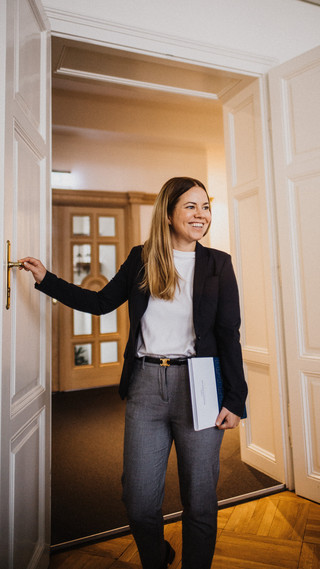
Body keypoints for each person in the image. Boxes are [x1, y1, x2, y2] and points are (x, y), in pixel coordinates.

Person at [21, 177, 247, 569]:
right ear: (168, 211)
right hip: (145, 384)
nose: (201, 215)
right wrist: (47, 280)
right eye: (190, 206)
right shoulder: (142, 257)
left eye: (205, 207)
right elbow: (100, 302)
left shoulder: (218, 264)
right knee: (139, 501)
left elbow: (229, 334)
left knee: (200, 501)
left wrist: (235, 399)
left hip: (200, 386)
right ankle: (156, 559)